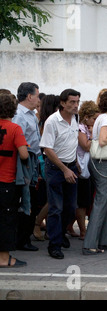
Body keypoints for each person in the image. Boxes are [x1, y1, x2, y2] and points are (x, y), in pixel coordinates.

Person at [39, 89, 80, 259]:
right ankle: (54, 245)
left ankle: (60, 233)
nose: (75, 105)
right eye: (72, 102)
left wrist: (75, 164)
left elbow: (72, 142)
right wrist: (64, 169)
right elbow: (47, 149)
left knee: (70, 207)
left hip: (71, 166)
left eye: (77, 102)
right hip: (57, 168)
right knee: (56, 207)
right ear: (62, 103)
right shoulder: (52, 122)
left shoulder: (75, 119)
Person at [82, 91, 107, 254]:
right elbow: (104, 140)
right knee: (101, 200)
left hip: (101, 162)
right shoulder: (105, 118)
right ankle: (90, 243)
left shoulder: (103, 117)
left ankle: (105, 240)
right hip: (102, 163)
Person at [0, 94, 29, 267]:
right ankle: (4, 258)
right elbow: (24, 154)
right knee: (6, 220)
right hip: (6, 181)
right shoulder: (15, 128)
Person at [13, 82, 41, 252]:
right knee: (26, 199)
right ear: (29, 96)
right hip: (25, 162)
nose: (38, 99)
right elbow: (19, 142)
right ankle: (21, 239)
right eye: (37, 95)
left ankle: (25, 237)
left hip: (34, 161)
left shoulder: (30, 114)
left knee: (32, 199)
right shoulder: (19, 115)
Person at [68, 101, 99, 240]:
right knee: (82, 201)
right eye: (94, 118)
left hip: (88, 166)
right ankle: (83, 231)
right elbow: (86, 146)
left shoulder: (86, 127)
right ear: (86, 117)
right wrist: (92, 134)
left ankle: (70, 226)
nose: (95, 121)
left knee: (86, 200)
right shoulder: (81, 128)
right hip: (81, 167)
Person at [33, 94, 61, 241]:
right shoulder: (47, 123)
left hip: (50, 160)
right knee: (53, 198)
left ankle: (46, 226)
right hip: (47, 161)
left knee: (52, 197)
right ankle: (37, 223)